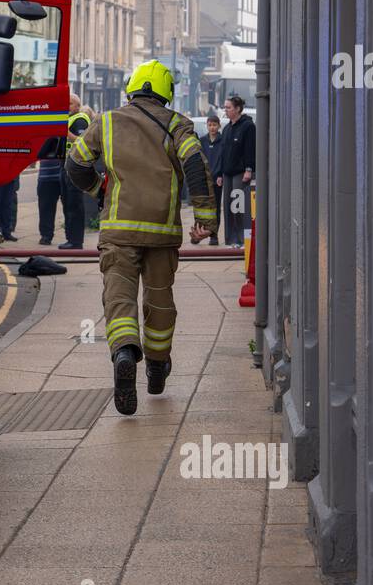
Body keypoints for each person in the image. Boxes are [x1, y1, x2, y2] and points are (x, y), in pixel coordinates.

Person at [65, 60, 218, 414]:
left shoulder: (106, 122)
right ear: (166, 93)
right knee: (160, 300)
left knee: (119, 297)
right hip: (162, 232)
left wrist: (99, 191)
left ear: (131, 88)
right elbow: (196, 165)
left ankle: (123, 353)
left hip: (119, 229)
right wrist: (205, 220)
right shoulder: (178, 124)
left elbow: (75, 165)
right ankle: (156, 365)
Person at [37, 93, 90, 249]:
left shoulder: (80, 120)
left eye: (69, 104)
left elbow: (82, 141)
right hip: (65, 165)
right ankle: (71, 239)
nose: (66, 107)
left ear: (77, 105)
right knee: (68, 205)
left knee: (74, 204)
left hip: (74, 166)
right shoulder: (69, 119)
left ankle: (76, 241)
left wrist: (65, 132)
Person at [219, 95, 256, 248]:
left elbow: (250, 150)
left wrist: (249, 169)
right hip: (227, 173)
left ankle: (241, 240)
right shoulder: (227, 128)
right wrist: (220, 174)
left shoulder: (247, 127)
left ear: (238, 109)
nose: (225, 110)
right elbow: (224, 152)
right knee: (227, 206)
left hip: (240, 173)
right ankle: (230, 239)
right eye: (225, 107)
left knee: (238, 206)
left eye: (228, 107)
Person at [200, 112, 226, 246]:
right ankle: (198, 234)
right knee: (203, 208)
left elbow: (224, 160)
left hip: (217, 180)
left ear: (219, 126)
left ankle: (214, 236)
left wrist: (221, 175)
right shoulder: (202, 140)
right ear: (207, 126)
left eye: (214, 125)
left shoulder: (223, 141)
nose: (212, 128)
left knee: (215, 209)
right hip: (204, 179)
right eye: (210, 125)